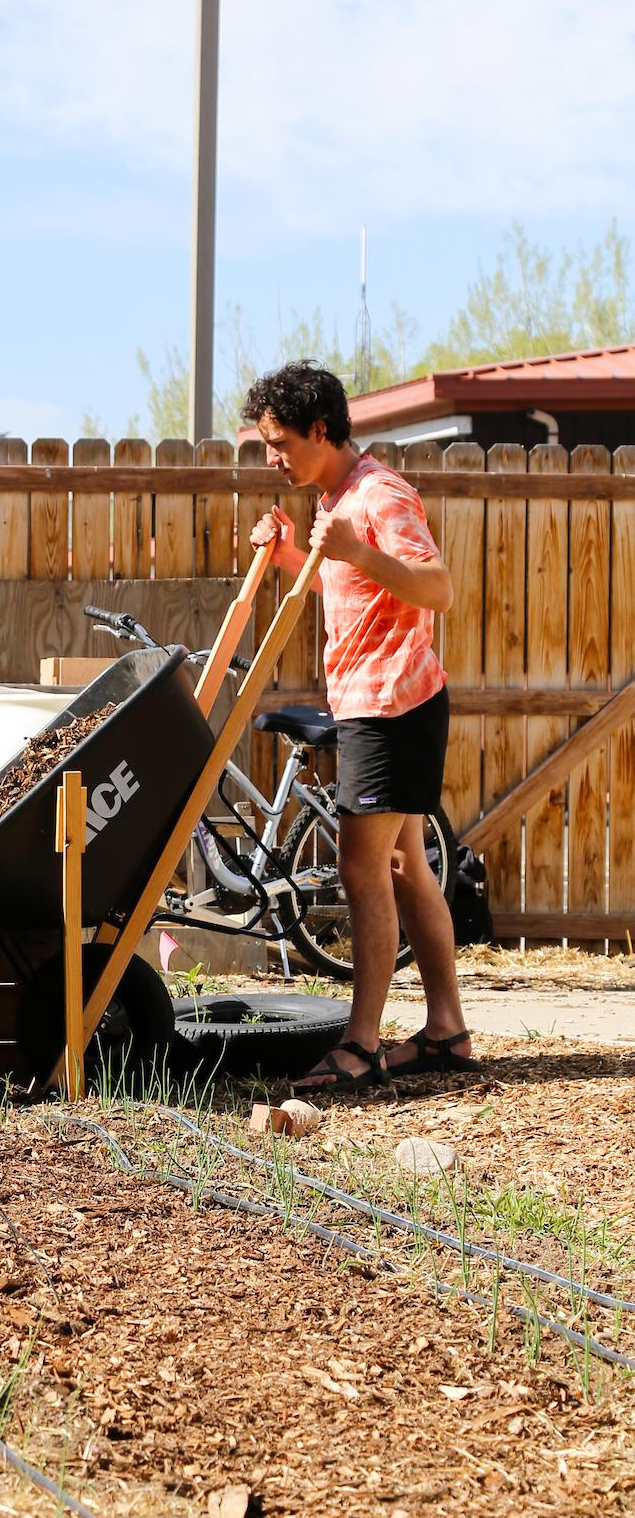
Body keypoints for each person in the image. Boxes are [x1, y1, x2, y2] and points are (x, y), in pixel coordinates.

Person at [244, 361, 474, 1093]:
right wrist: (292, 554)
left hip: (393, 706)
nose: (271, 457)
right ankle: (447, 1032)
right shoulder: (336, 499)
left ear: (321, 429)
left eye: (279, 442)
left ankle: (361, 1044)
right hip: (371, 702)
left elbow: (435, 586)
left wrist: (357, 548)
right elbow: (349, 583)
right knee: (406, 869)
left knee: (361, 868)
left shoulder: (380, 494)